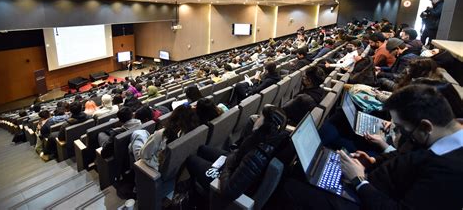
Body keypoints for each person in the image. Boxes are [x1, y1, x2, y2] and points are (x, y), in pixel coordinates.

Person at [283, 84, 463, 209]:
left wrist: (360, 182)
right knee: (303, 171)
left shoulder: (452, 171)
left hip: (366, 198)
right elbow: (405, 161)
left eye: (401, 128)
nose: (396, 131)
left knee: (289, 187)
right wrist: (373, 161)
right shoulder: (439, 137)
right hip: (369, 182)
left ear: (425, 127)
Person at [186, 105, 288, 199]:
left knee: (191, 160)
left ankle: (197, 197)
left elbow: (228, 191)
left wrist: (227, 164)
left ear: (266, 124)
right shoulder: (264, 138)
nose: (256, 118)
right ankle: (198, 186)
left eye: (260, 117)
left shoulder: (256, 156)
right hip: (235, 163)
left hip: (228, 177)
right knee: (202, 149)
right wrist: (231, 160)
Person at [140, 105, 199, 171]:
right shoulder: (194, 133)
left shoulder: (161, 134)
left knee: (138, 134)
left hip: (156, 169)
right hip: (177, 169)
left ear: (173, 117)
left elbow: (143, 155)